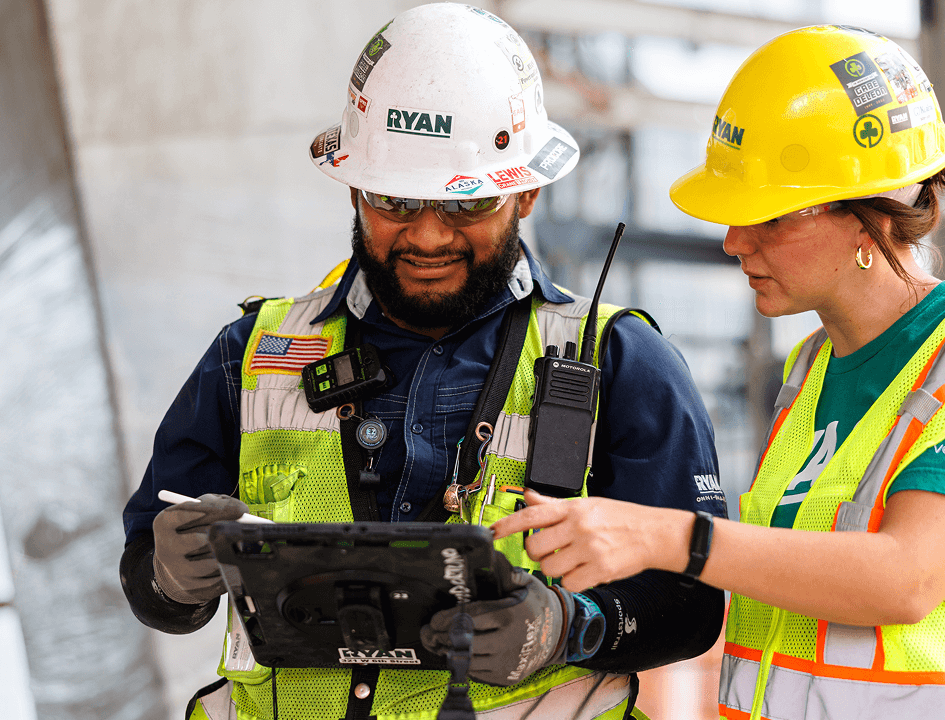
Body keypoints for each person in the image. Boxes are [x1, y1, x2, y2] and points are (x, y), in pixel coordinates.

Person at [118, 5, 727, 720]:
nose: (429, 235)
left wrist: (568, 627)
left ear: (526, 191)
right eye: (396, 201)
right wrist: (168, 577)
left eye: (466, 205)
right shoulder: (251, 357)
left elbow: (692, 605)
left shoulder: (622, 363)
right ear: (353, 186)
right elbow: (150, 585)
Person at [492, 25, 945, 720]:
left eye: (766, 215)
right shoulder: (813, 369)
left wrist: (665, 537)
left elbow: (905, 579)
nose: (734, 242)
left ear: (865, 214)